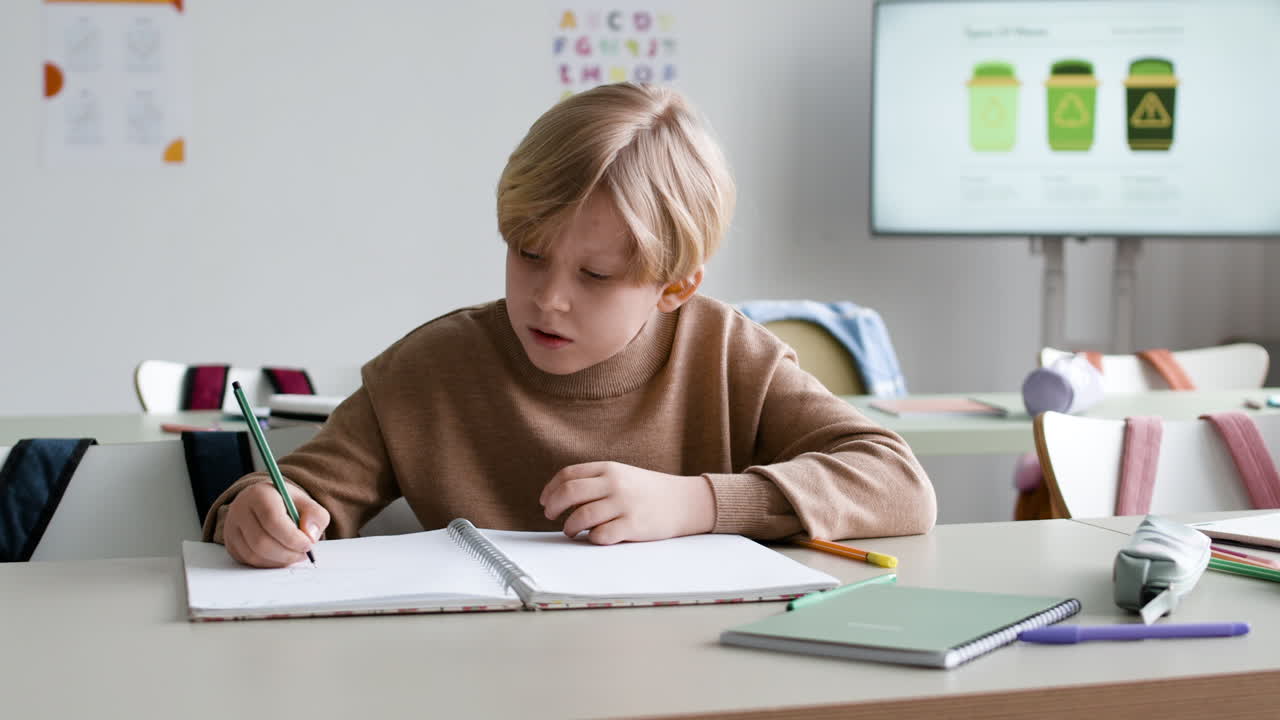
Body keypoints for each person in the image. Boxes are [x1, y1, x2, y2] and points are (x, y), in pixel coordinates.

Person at [205, 82, 936, 568]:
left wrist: (695, 503)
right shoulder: (431, 369)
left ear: (675, 286)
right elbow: (291, 493)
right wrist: (262, 512)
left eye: (595, 276)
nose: (547, 299)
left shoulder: (725, 354)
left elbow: (898, 482)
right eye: (528, 254)